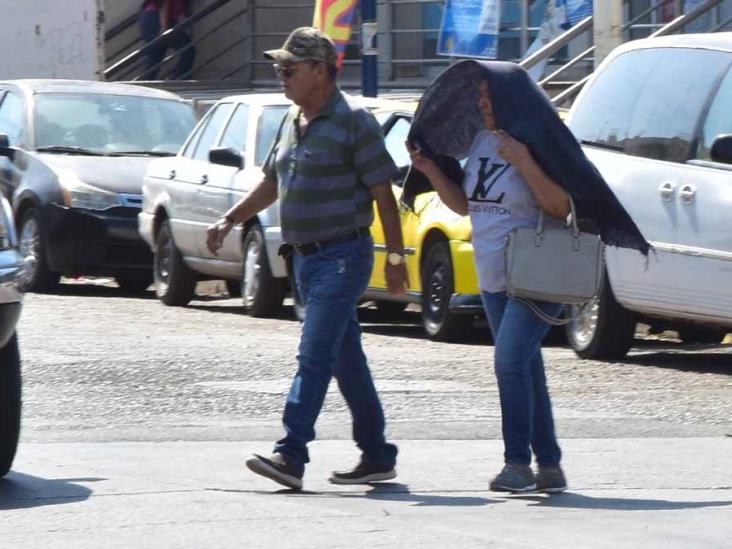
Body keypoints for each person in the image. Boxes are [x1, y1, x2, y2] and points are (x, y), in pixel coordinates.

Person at [405, 60, 648, 494]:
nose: (481, 103)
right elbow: (465, 206)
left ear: (510, 97)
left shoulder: (535, 143)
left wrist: (524, 161)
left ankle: (517, 463)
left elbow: (560, 208)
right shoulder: (481, 142)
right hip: (494, 277)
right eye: (478, 96)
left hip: (536, 275)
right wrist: (432, 172)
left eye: (487, 95)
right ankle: (550, 465)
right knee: (526, 368)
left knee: (509, 362)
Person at [205, 27, 409, 491]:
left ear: (321, 70)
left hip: (341, 255)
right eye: (279, 67)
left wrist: (395, 257)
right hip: (304, 259)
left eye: (290, 68)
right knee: (345, 359)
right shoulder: (291, 120)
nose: (282, 75)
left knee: (313, 354)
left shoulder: (354, 120)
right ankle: (377, 455)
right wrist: (229, 220)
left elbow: (383, 192)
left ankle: (291, 453)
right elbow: (272, 182)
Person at [138, 0, 195, 80]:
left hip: (151, 18)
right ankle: (177, 81)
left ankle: (143, 86)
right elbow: (164, 3)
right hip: (158, 18)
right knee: (188, 49)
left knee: (155, 57)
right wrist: (164, 27)